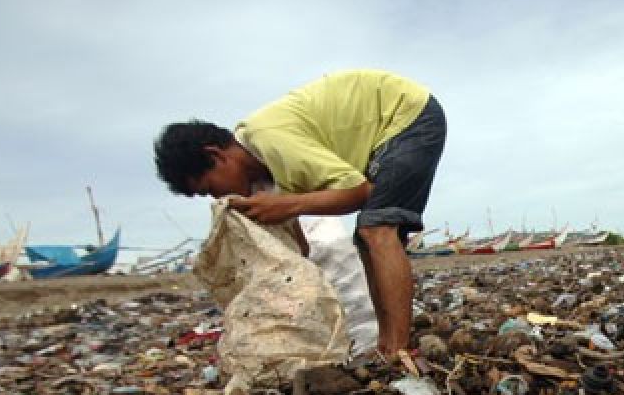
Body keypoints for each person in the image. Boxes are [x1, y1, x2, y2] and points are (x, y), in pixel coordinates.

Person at [154, 69, 446, 357]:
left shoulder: (271, 141)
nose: (218, 197)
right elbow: (301, 249)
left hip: (406, 116)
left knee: (377, 230)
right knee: (366, 238)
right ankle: (386, 343)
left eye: (209, 188)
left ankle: (398, 348)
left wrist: (288, 206)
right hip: (387, 131)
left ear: (216, 156)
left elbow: (360, 192)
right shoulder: (265, 176)